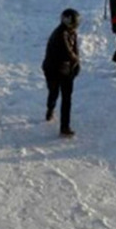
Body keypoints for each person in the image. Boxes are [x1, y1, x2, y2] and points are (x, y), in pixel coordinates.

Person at [42, 8, 81, 137]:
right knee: (54, 92)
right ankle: (50, 108)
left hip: (66, 70)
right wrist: (74, 61)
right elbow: (68, 52)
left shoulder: (72, 33)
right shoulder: (59, 34)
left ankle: (65, 126)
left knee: (67, 98)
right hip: (53, 69)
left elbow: (75, 50)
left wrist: (76, 65)